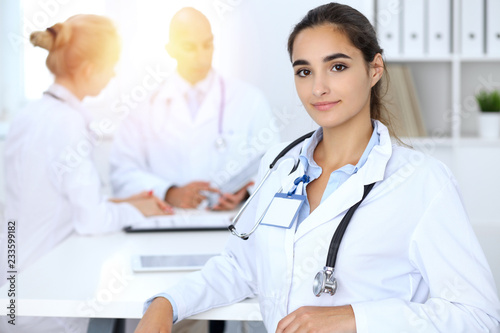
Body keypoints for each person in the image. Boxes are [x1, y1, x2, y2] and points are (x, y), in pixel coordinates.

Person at [135, 3, 500, 332]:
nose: (319, 88)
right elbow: (241, 266)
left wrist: (356, 318)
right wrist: (168, 302)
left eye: (337, 66)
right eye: (304, 71)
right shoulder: (280, 165)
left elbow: (478, 316)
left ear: (374, 69)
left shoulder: (422, 182)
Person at [0, 14, 172, 333]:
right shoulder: (69, 123)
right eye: (112, 65)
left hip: (13, 276)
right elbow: (91, 220)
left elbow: (53, 197)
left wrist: (122, 202)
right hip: (48, 288)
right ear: (91, 69)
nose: (114, 73)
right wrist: (137, 210)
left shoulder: (30, 115)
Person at [109, 7, 278, 211]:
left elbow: (274, 163)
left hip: (227, 222)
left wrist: (246, 193)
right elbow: (122, 173)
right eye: (189, 47)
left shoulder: (249, 99)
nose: (201, 56)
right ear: (170, 50)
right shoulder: (143, 107)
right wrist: (169, 192)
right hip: (166, 221)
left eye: (207, 45)